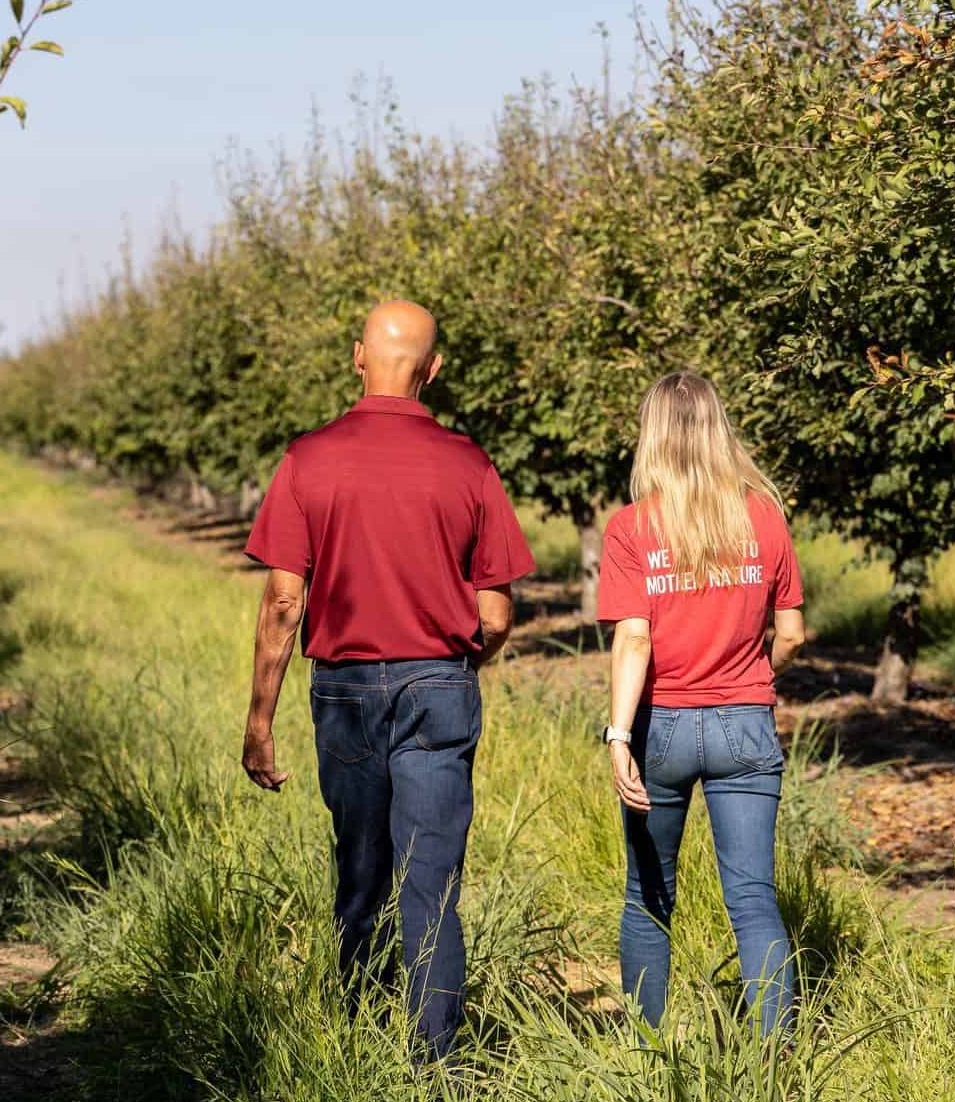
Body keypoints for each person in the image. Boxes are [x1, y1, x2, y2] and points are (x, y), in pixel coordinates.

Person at [241, 300, 535, 1060]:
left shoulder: (308, 458)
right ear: (433, 371)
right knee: (431, 882)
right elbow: (496, 613)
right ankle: (435, 1065)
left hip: (343, 687)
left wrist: (259, 722)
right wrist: (462, 666)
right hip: (438, 684)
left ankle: (357, 1033)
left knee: (362, 868)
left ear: (356, 356)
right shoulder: (467, 462)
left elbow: (282, 601)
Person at [596, 371, 806, 1035]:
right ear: (719, 428)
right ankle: (777, 1059)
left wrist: (619, 736)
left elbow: (634, 641)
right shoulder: (764, 518)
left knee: (648, 897)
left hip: (662, 728)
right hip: (745, 725)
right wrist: (751, 679)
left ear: (653, 434)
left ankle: (647, 1054)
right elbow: (793, 633)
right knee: (752, 899)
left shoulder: (632, 528)